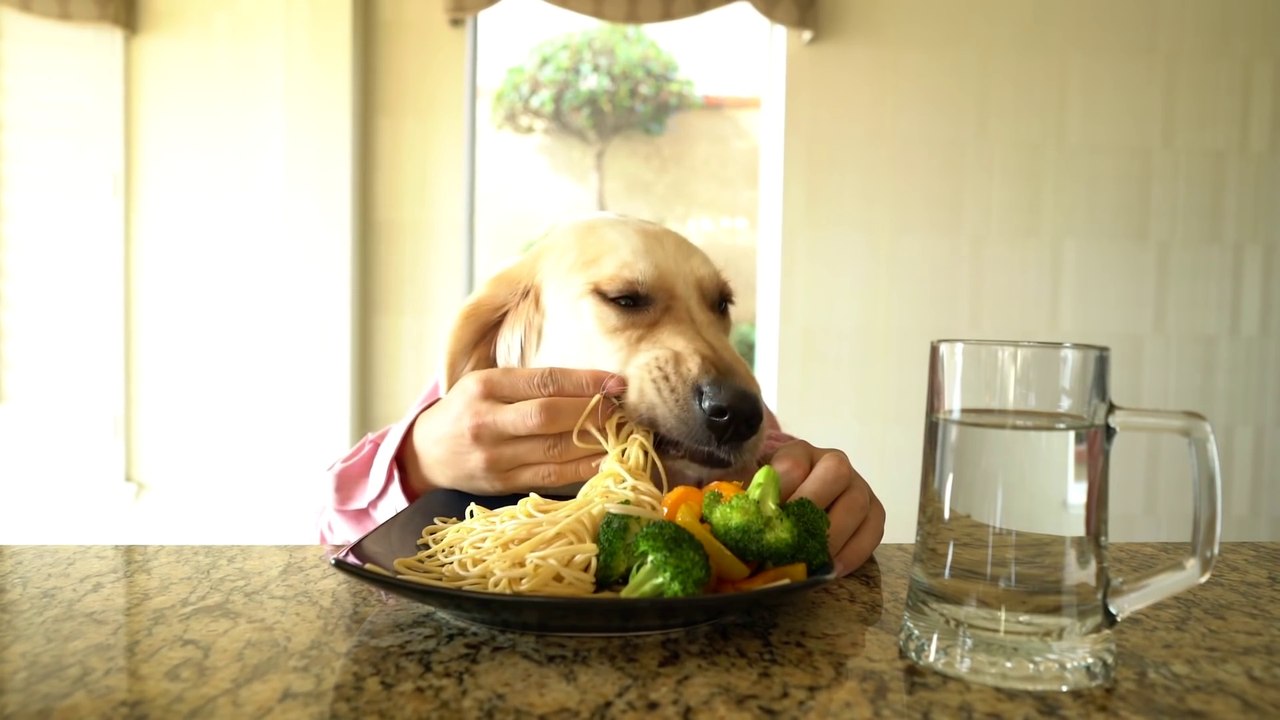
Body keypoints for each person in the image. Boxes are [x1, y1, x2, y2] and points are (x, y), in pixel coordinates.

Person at [319, 367, 886, 576]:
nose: (703, 353)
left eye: (716, 308)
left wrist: (829, 492)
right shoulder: (466, 404)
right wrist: (418, 457)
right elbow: (333, 530)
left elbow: (803, 480)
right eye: (628, 300)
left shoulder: (728, 420)